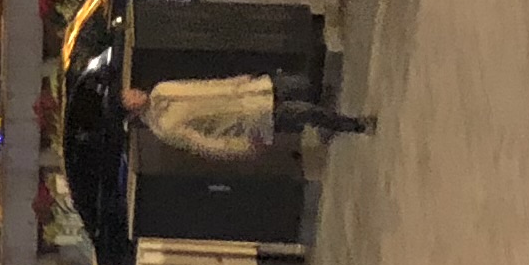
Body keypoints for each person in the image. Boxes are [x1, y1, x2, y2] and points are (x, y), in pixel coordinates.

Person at [122, 74, 373, 160]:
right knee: (301, 111)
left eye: (131, 91)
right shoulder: (164, 127)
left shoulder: (162, 89)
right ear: (132, 111)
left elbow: (204, 85)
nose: (136, 94)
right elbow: (204, 144)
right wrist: (243, 147)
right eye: (130, 99)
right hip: (246, 118)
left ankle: (326, 121)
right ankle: (353, 125)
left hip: (249, 92)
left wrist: (238, 81)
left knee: (300, 84)